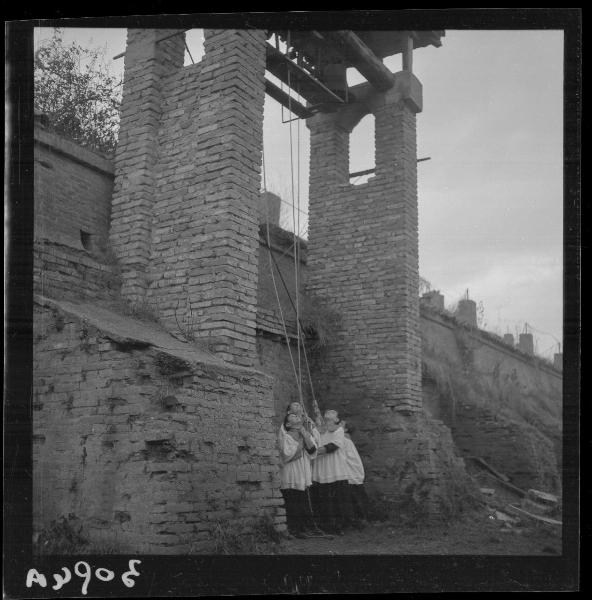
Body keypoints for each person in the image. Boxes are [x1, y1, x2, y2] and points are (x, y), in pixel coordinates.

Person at [310, 409, 353, 535]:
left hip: (334, 467)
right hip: (322, 467)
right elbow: (312, 440)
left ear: (336, 420)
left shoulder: (338, 430)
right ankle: (325, 524)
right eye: (326, 418)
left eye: (331, 418)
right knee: (324, 498)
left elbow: (334, 445)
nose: (328, 420)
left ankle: (339, 525)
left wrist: (314, 452)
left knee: (337, 498)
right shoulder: (319, 430)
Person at [277, 412, 318, 538]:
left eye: (297, 416)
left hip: (302, 471)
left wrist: (305, 434)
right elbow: (287, 455)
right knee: (292, 500)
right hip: (291, 472)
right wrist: (300, 441)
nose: (297, 416)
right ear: (288, 424)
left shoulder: (304, 434)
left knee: (302, 500)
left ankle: (303, 528)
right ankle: (293, 529)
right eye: (293, 416)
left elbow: (312, 450)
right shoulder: (286, 437)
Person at [343, 423, 369, 526]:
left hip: (351, 470)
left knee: (355, 496)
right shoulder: (344, 438)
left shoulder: (345, 439)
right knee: (355, 495)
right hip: (351, 470)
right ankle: (359, 518)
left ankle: (360, 518)